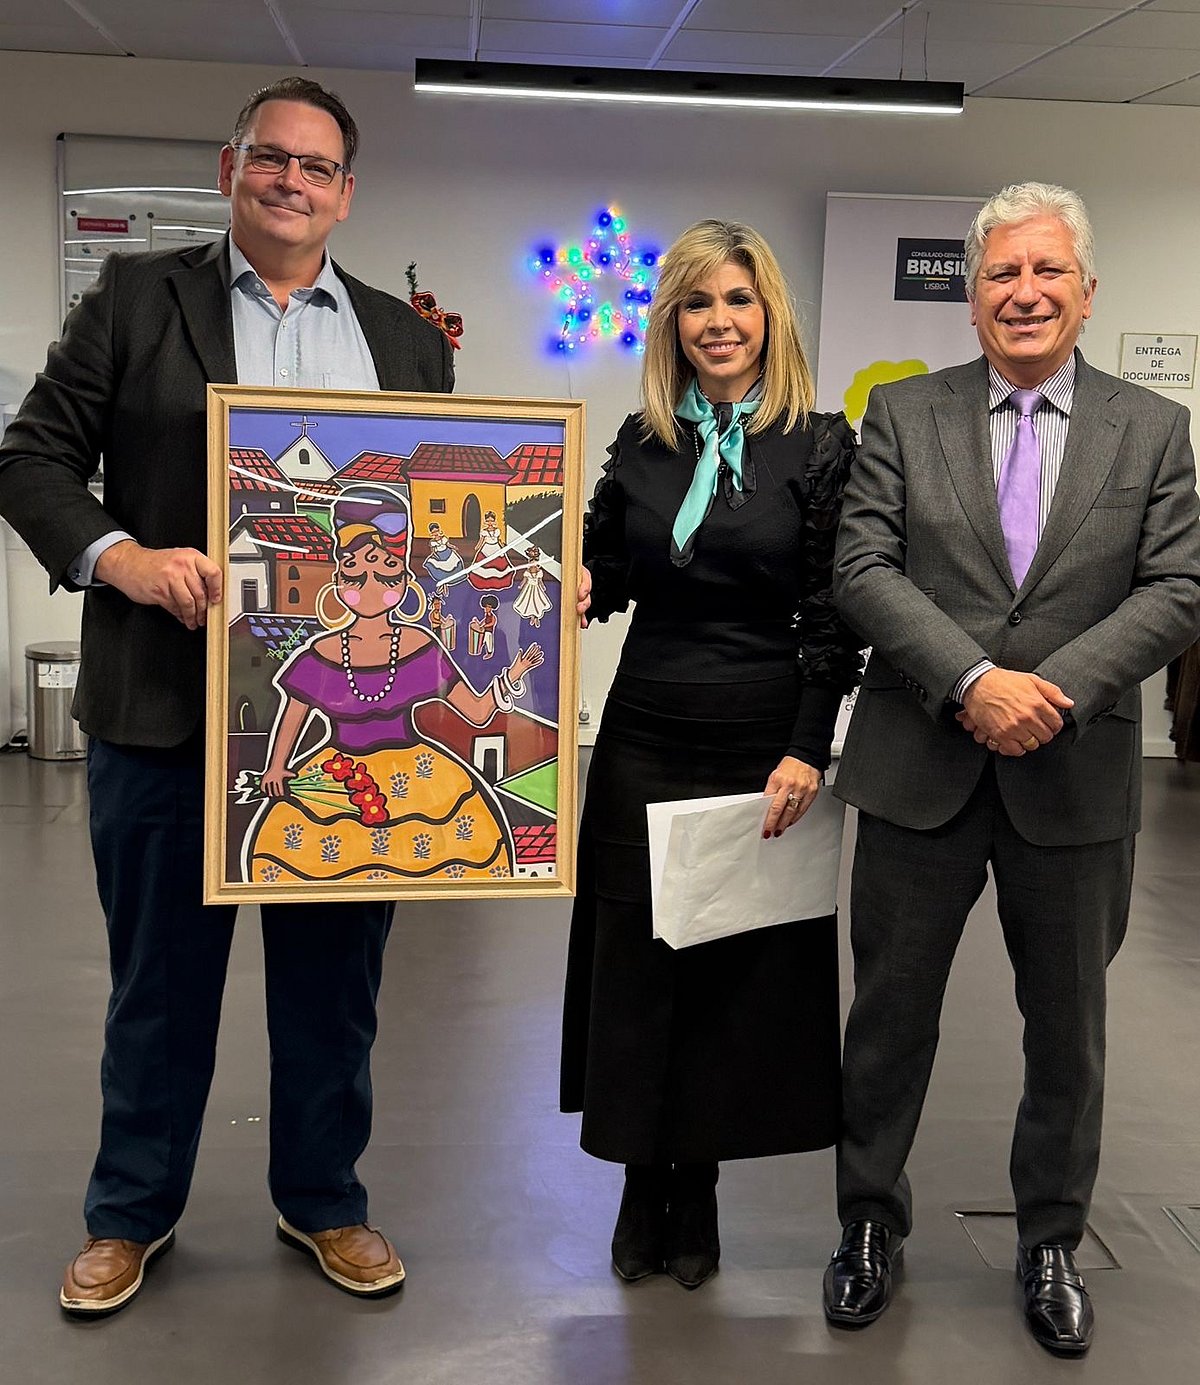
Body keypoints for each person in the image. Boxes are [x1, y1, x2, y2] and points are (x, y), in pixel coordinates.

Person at [0, 77, 455, 1314]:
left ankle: (325, 1198)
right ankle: (130, 1211)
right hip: (164, 714)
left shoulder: (409, 344)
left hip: (342, 732)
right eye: (273, 159)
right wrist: (126, 559)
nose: (292, 182)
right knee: (159, 984)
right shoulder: (140, 300)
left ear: (346, 194)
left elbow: (430, 520)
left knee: (334, 987)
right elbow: (31, 456)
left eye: (317, 168)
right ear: (230, 168)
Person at [825, 182, 1200, 1354]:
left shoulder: (1153, 429)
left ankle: (1051, 1241)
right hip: (917, 766)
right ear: (972, 295)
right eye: (1000, 274)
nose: (1023, 293)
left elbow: (1179, 586)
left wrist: (1059, 690)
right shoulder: (901, 413)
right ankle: (869, 1227)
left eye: (1047, 273)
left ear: (1087, 293)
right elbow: (863, 566)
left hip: (1076, 775)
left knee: (1069, 1032)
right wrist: (973, 682)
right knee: (888, 1020)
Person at [560, 219, 861, 1289]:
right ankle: (646, 1176)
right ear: (672, 323)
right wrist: (581, 582)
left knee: (733, 963)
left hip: (759, 736)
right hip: (644, 727)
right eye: (698, 303)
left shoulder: (822, 445)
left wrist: (806, 747)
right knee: (641, 961)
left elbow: (834, 611)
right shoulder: (642, 444)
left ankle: (704, 1182)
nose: (720, 322)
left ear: (768, 313)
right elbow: (603, 566)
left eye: (739, 300)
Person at [248, 485, 542, 884]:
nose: (370, 588)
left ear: (404, 582)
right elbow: (293, 714)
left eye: (384, 575)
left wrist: (513, 675)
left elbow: (475, 711)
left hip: (422, 780)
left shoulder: (420, 647)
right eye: (356, 575)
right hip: (337, 780)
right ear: (337, 581)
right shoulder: (323, 653)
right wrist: (277, 766)